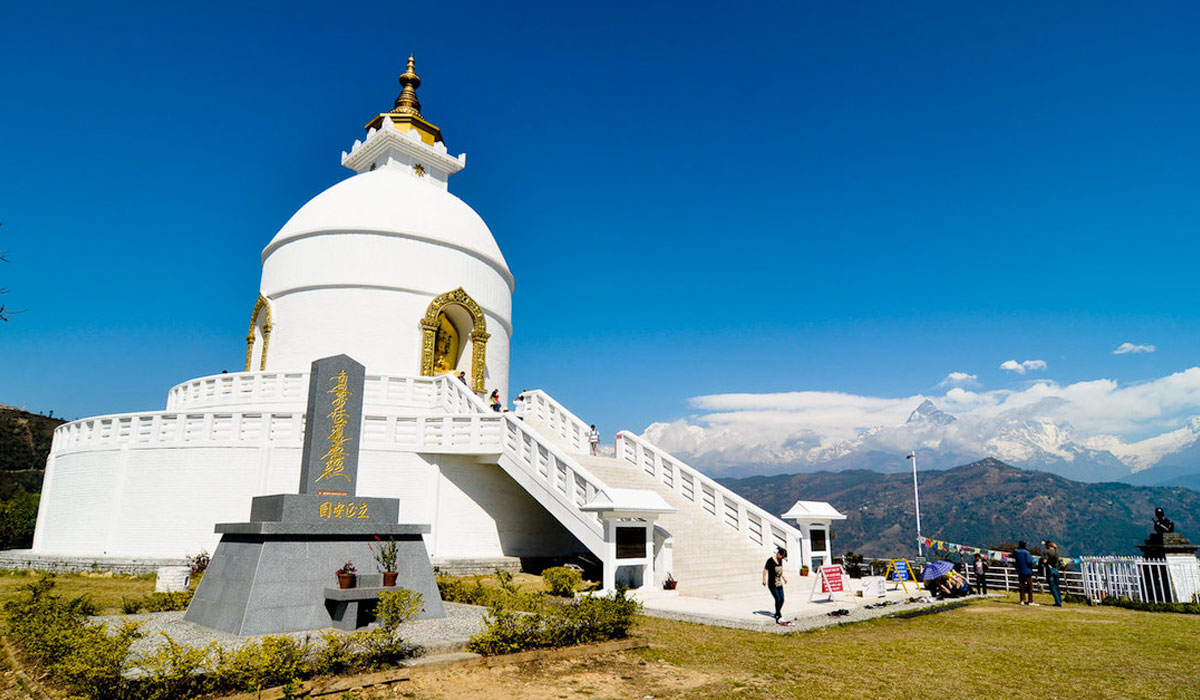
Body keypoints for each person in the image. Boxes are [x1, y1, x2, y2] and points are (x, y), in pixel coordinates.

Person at [762, 547, 789, 625]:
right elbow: (765, 570)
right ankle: (778, 614)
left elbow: (780, 571)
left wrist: (784, 577)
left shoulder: (780, 561)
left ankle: (777, 612)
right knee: (777, 598)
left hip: (779, 583)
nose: (782, 558)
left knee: (782, 599)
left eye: (783, 557)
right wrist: (764, 579)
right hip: (772, 583)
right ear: (778, 554)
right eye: (782, 556)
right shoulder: (770, 561)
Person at [1040, 540, 1063, 607]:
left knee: (1052, 586)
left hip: (1050, 570)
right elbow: (1055, 546)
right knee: (1057, 585)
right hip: (1056, 569)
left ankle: (1057, 602)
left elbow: (1044, 561)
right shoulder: (1057, 551)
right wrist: (1047, 543)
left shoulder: (1046, 552)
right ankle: (1059, 599)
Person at [1013, 541, 1036, 605]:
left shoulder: (1016, 552)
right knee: (1030, 586)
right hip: (1027, 571)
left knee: (1022, 585)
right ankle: (1030, 600)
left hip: (1020, 570)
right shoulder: (1026, 553)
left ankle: (1022, 600)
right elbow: (1029, 561)